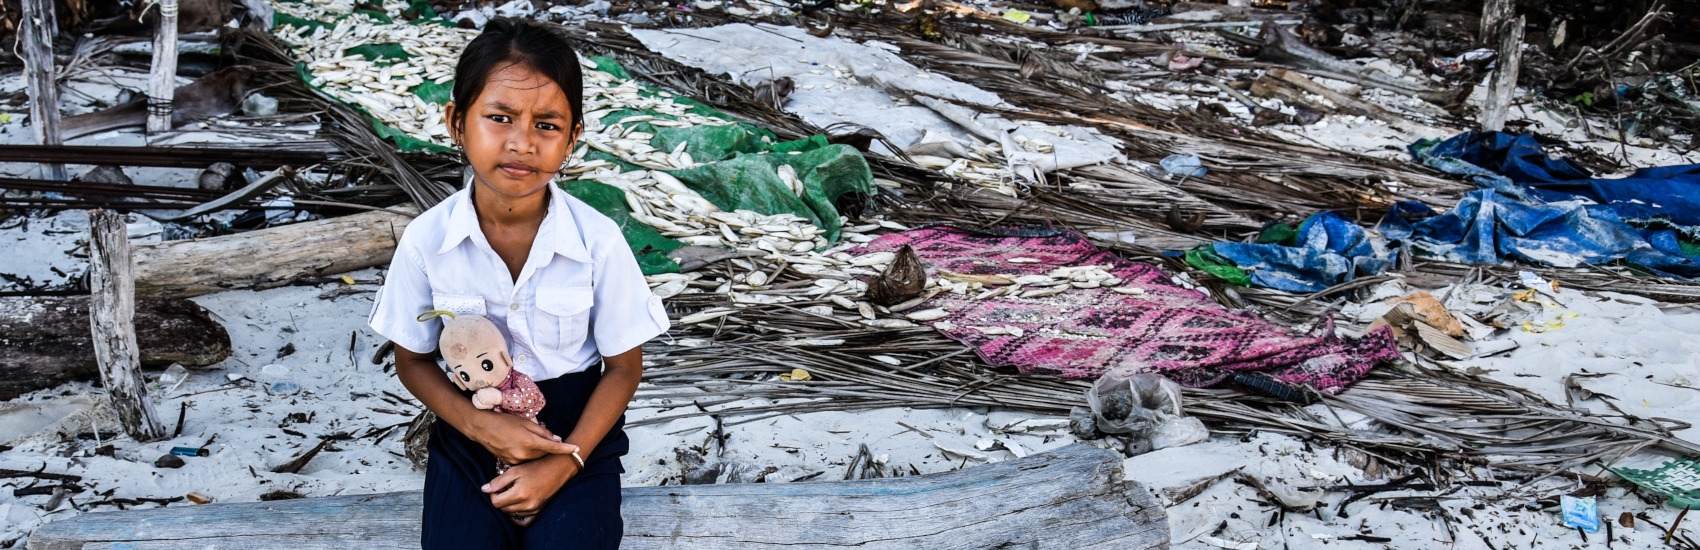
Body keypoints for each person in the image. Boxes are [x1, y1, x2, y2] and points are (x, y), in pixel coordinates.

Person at [367, 17, 669, 549]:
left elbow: (624, 367)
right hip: (469, 432)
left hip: (576, 434)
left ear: (573, 136)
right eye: (499, 117)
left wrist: (567, 462)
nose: (522, 142)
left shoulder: (596, 241)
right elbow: (411, 360)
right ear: (457, 122)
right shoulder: (426, 241)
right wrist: (482, 428)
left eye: (547, 125)